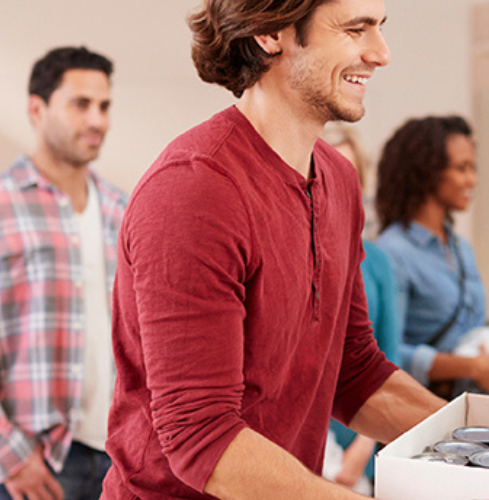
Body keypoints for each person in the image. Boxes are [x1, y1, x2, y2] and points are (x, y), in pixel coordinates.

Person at [101, 0, 445, 498]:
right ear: (271, 34)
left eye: (380, 28)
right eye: (356, 29)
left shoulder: (339, 180)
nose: (381, 53)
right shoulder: (194, 190)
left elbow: (354, 372)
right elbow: (202, 437)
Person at [0, 46, 125, 500]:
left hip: (119, 460)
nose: (97, 120)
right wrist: (10, 454)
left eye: (104, 106)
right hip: (35, 464)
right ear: (37, 109)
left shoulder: (123, 210)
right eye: (80, 104)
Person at [375, 115, 489, 399]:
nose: (473, 179)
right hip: (427, 407)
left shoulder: (461, 248)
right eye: (462, 168)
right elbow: (385, 352)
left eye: (473, 167)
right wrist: (469, 367)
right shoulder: (392, 252)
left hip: (474, 403)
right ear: (426, 172)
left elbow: (471, 329)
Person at [319, 122, 403, 494]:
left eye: (347, 173)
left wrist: (360, 452)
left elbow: (386, 362)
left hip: (358, 440)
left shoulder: (378, 263)